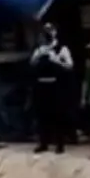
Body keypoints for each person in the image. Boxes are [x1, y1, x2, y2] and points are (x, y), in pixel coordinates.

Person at [31, 23, 74, 153]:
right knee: (42, 116)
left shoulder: (62, 49)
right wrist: (39, 55)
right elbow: (32, 63)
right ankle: (43, 142)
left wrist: (56, 60)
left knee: (57, 116)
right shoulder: (39, 49)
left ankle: (60, 144)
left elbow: (70, 65)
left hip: (55, 86)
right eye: (45, 32)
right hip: (41, 86)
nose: (47, 35)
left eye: (49, 31)